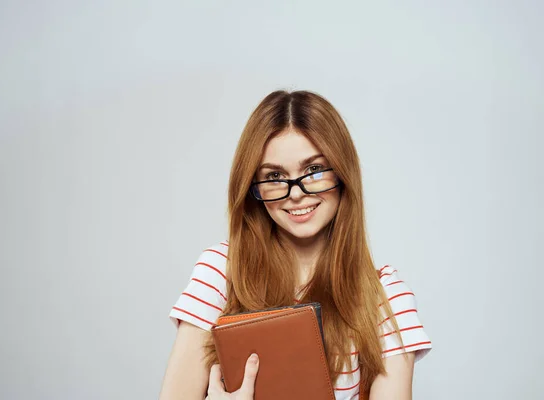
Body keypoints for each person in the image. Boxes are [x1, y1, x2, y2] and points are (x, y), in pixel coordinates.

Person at [159, 90, 432, 400]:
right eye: (275, 175)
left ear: (343, 174)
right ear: (253, 188)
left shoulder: (385, 296)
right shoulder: (221, 270)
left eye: (314, 170)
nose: (295, 193)